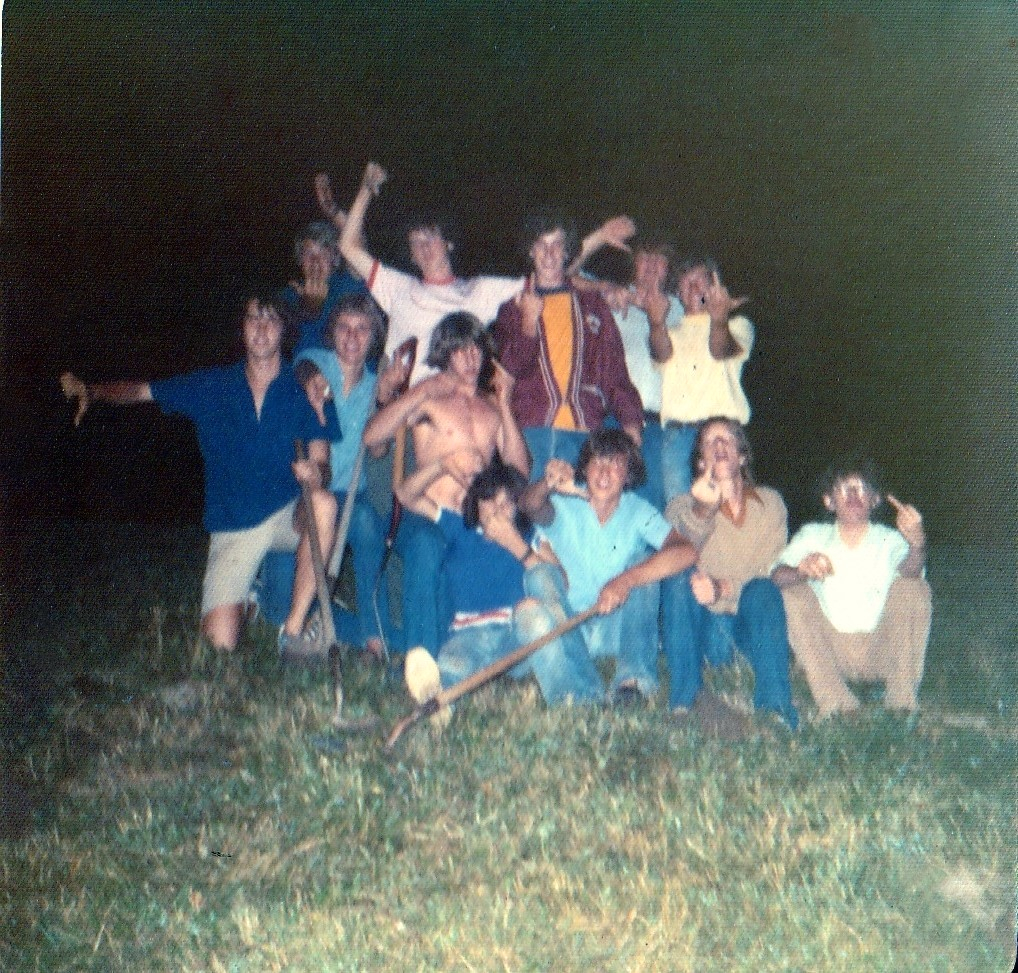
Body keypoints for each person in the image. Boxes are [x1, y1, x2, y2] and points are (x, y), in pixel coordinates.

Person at [59, 293, 338, 655]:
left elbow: (323, 463)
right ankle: (248, 595)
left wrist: (316, 476)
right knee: (217, 648)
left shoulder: (304, 388)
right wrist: (93, 391)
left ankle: (294, 631)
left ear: (284, 329)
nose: (262, 328)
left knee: (325, 504)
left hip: (287, 514)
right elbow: (142, 391)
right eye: (253, 318)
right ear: (242, 328)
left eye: (271, 320)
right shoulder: (212, 385)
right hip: (233, 523)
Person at [330, 161, 636, 386]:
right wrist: (366, 190)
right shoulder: (397, 286)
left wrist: (598, 238)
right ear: (409, 254)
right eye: (415, 242)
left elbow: (550, 271)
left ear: (448, 242)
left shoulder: (477, 290)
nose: (423, 247)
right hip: (402, 407)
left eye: (430, 237)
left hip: (456, 410)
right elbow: (347, 247)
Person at [362, 312, 529, 655]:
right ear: (445, 353)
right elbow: (372, 437)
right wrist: (420, 390)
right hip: (424, 514)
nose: (470, 358)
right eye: (459, 349)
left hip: (470, 521)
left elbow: (519, 472)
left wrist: (505, 406)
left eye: (475, 349)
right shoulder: (430, 400)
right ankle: (418, 662)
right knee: (426, 545)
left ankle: (454, 655)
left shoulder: (489, 409)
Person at [397, 457, 605, 708]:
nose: (497, 509)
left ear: (517, 508)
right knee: (452, 664)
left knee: (534, 615)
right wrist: (441, 466)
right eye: (489, 501)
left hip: (515, 637)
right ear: (476, 503)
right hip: (469, 635)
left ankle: (568, 701)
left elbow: (559, 583)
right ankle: (439, 702)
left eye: (506, 503)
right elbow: (406, 494)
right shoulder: (460, 529)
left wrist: (516, 544)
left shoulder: (527, 536)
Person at [521, 429, 697, 703]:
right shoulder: (562, 505)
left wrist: (625, 580)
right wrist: (548, 482)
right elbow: (529, 505)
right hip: (571, 627)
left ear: (628, 475)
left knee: (644, 564)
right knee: (538, 577)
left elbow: (685, 551)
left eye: (615, 464)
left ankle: (633, 681)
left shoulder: (637, 509)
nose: (604, 473)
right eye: (597, 462)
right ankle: (577, 691)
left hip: (616, 627)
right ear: (585, 469)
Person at [289, 292, 409, 656]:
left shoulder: (377, 384)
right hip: (307, 492)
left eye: (362, 329)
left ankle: (374, 638)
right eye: (344, 328)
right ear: (332, 332)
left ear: (374, 337)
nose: (352, 337)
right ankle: (313, 623)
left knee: (368, 523)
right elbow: (300, 367)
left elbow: (379, 450)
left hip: (351, 495)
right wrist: (311, 380)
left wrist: (387, 403)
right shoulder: (317, 362)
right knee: (281, 605)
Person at [661, 417, 800, 728]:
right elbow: (680, 553)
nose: (720, 445)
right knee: (677, 579)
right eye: (710, 441)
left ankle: (776, 709)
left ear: (742, 455)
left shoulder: (771, 503)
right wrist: (704, 510)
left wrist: (723, 588)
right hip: (708, 630)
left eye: (727, 439)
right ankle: (684, 702)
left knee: (764, 589)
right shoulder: (681, 507)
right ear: (700, 462)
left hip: (751, 629)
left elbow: (769, 570)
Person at [771, 458, 930, 719]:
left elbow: (911, 570)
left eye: (861, 488)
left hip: (882, 648)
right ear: (829, 501)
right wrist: (801, 570)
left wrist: (918, 543)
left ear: (875, 499)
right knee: (791, 592)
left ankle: (901, 702)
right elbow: (776, 576)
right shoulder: (812, 535)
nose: (854, 494)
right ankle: (836, 703)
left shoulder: (889, 539)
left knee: (913, 589)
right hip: (831, 652)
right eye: (844, 488)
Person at [493, 212, 644, 479]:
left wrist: (631, 423)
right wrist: (529, 323)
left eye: (557, 245)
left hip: (586, 432)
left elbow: (614, 371)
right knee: (534, 514)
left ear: (567, 251)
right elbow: (507, 375)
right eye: (541, 244)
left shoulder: (593, 304)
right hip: (533, 433)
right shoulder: (511, 309)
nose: (549, 253)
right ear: (531, 250)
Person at [649, 258, 754, 503]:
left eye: (700, 282)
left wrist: (718, 320)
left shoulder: (738, 324)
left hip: (723, 435)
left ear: (716, 287)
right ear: (678, 294)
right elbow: (660, 353)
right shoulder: (670, 331)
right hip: (678, 438)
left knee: (727, 510)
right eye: (686, 284)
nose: (694, 288)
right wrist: (655, 322)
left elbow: (720, 351)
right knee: (680, 514)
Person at [602, 241, 684, 510]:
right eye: (643, 257)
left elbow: (710, 303)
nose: (649, 264)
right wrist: (608, 290)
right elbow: (569, 279)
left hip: (660, 428)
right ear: (632, 265)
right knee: (609, 502)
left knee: (654, 507)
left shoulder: (682, 307)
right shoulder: (614, 299)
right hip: (612, 420)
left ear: (669, 268)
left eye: (658, 258)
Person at [280, 220, 368, 354]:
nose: (315, 261)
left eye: (323, 253)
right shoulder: (289, 295)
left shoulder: (347, 285)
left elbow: (359, 254)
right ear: (299, 259)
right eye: (308, 253)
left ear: (335, 258)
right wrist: (309, 310)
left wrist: (334, 214)